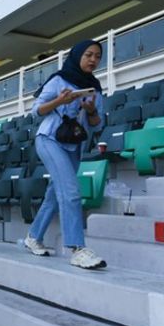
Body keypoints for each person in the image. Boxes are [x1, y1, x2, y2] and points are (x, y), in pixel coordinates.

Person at [21, 39, 106, 270]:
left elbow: (98, 125)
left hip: (74, 145)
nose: (93, 60)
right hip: (49, 139)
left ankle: (33, 237)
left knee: (53, 196)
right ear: (77, 55)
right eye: (88, 54)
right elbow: (36, 110)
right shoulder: (59, 79)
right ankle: (77, 249)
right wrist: (61, 100)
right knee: (70, 191)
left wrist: (91, 111)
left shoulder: (95, 88)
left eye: (97, 56)